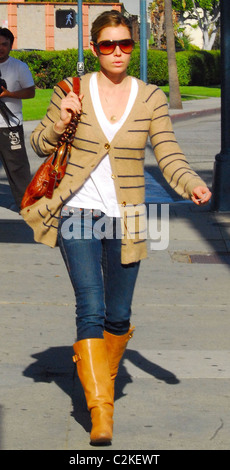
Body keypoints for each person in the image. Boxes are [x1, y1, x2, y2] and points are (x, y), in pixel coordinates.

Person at [21, 10, 211, 446]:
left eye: (125, 43)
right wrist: (61, 121)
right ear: (94, 48)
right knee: (89, 306)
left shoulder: (150, 98)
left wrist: (193, 183)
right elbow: (38, 145)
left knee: (118, 315)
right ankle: (100, 411)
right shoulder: (72, 90)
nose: (118, 52)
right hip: (77, 213)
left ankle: (95, 379)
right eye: (108, 45)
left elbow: (169, 154)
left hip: (129, 217)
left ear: (134, 45)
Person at [0, 27, 35, 211]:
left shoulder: (19, 67)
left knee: (17, 168)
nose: (1, 48)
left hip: (11, 125)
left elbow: (31, 92)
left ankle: (25, 204)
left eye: (4, 44)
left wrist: (9, 94)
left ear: (11, 46)